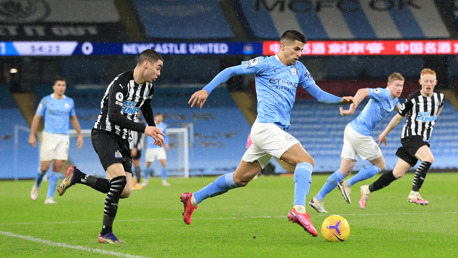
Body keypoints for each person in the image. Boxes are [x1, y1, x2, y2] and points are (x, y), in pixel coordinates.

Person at [180, 30, 354, 237]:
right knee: (306, 161)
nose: (299, 53)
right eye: (296, 49)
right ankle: (298, 210)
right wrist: (207, 90)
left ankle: (193, 199)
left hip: (272, 132)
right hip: (266, 127)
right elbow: (230, 71)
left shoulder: (299, 69)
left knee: (240, 179)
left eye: (302, 50)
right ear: (282, 46)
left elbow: (319, 94)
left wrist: (340, 100)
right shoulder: (265, 63)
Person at [57, 49, 165, 244]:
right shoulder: (120, 84)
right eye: (158, 68)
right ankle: (105, 233)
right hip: (105, 134)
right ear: (146, 64)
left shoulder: (148, 87)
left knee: (125, 191)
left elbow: (146, 106)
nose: (159, 73)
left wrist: (154, 129)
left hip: (124, 140)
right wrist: (144, 129)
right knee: (118, 181)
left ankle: (79, 176)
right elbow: (114, 116)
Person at [309, 73, 405, 213]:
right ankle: (347, 184)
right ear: (389, 85)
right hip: (360, 133)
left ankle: (317, 199)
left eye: (402, 85)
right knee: (380, 165)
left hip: (351, 130)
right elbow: (362, 91)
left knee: (344, 170)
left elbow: (403, 112)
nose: (399, 88)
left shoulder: (395, 100)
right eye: (397, 85)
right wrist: (352, 109)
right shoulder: (383, 93)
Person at [359, 68, 444, 209]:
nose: (428, 84)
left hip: (422, 139)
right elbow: (398, 117)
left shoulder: (439, 98)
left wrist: (431, 121)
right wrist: (384, 133)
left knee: (397, 173)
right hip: (410, 136)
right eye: (425, 81)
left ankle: (368, 189)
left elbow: (438, 109)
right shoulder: (413, 98)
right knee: (428, 159)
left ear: (435, 82)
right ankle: (414, 193)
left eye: (431, 81)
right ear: (420, 82)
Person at [29, 77, 83, 204]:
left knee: (58, 166)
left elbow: (73, 118)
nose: (61, 87)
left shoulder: (69, 102)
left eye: (63, 85)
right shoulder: (46, 100)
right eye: (59, 85)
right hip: (49, 135)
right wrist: (32, 135)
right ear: (54, 87)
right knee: (44, 167)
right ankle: (37, 185)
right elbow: (37, 118)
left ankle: (49, 197)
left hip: (63, 137)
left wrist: (79, 134)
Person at [142, 112, 170, 187]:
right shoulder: (150, 124)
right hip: (151, 147)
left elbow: (165, 135)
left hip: (160, 147)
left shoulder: (164, 126)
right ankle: (145, 180)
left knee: (163, 162)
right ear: (155, 117)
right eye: (158, 117)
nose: (159, 118)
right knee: (148, 165)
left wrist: (166, 144)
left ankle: (164, 181)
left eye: (160, 117)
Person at [129, 113, 146, 190]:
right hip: (128, 146)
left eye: (138, 111)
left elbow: (139, 135)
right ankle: (131, 180)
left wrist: (135, 147)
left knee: (136, 162)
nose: (137, 113)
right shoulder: (127, 120)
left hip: (137, 147)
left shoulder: (141, 122)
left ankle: (137, 181)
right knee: (128, 163)